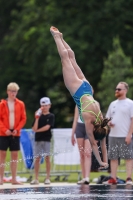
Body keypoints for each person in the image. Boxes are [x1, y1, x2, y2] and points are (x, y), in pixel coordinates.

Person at [50, 26, 110, 169]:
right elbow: (94, 143)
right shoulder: (89, 119)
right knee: (65, 58)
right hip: (77, 89)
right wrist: (100, 162)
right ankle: (56, 37)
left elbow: (102, 141)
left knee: (71, 57)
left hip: (87, 87)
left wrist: (104, 161)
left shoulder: (102, 122)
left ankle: (62, 37)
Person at [104, 82, 133, 185]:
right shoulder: (113, 104)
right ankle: (113, 178)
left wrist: (129, 134)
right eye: (116, 89)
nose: (116, 91)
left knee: (128, 157)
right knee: (113, 157)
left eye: (119, 89)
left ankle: (129, 178)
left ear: (125, 90)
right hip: (113, 135)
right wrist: (109, 123)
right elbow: (107, 118)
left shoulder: (130, 103)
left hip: (125, 135)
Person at [0, 82, 27, 185]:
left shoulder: (20, 104)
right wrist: (4, 129)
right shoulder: (2, 104)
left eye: (15, 91)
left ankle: (14, 178)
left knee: (15, 155)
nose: (13, 93)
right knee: (2, 155)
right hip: (3, 133)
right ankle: (1, 178)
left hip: (15, 132)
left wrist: (17, 129)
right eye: (11, 91)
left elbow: (23, 118)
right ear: (7, 92)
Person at [30, 97, 55, 185]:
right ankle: (36, 178)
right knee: (37, 158)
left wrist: (37, 130)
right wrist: (36, 117)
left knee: (47, 158)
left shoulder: (51, 116)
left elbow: (47, 127)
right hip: (38, 139)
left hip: (46, 139)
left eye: (46, 105)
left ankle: (47, 177)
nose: (44, 107)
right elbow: (34, 127)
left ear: (49, 106)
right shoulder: (38, 116)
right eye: (43, 106)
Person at [71, 105, 91, 184]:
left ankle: (87, 177)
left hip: (89, 127)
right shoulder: (78, 104)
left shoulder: (94, 103)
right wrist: (72, 134)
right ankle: (84, 177)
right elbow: (75, 119)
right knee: (82, 154)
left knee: (87, 153)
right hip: (80, 127)